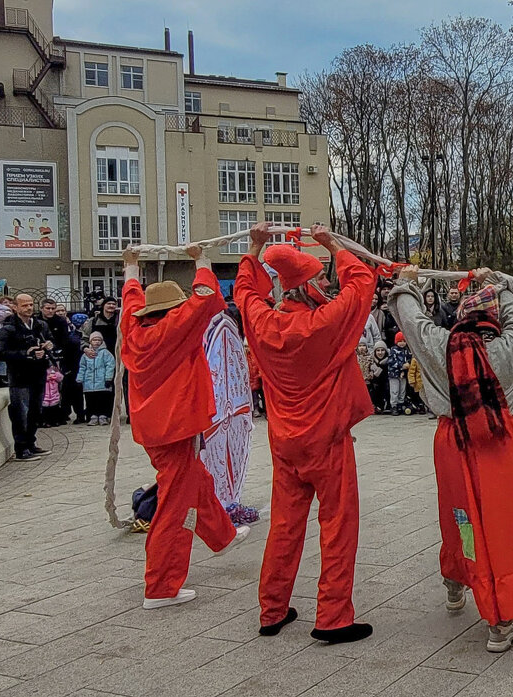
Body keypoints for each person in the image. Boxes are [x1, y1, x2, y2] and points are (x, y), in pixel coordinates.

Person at [236, 222, 375, 644]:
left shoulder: (262, 322)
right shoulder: (325, 323)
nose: (326, 286)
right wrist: (332, 243)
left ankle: (272, 609)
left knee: (283, 525)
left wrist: (255, 247)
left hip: (284, 442)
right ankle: (333, 617)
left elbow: (245, 292)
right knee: (337, 524)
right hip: (327, 440)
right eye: (320, 280)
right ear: (310, 287)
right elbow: (362, 281)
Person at [385, 266, 513, 653]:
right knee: (501, 527)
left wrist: (410, 282)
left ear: (461, 317)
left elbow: (410, 318)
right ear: (494, 319)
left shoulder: (441, 345)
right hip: (499, 440)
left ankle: (456, 582)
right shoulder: (509, 344)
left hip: (453, 439)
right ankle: (500, 620)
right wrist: (498, 287)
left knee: (459, 515)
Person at [120, 244, 247, 609]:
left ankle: (222, 536)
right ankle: (160, 587)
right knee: (174, 507)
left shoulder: (134, 329)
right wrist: (201, 260)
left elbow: (130, 300)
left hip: (153, 428)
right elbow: (207, 298)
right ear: (172, 310)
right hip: (177, 428)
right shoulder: (175, 328)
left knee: (197, 480)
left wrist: (131, 268)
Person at [0, 293, 53, 461]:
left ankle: (30, 443)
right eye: (24, 305)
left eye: (30, 305)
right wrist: (25, 353)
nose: (29, 308)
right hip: (19, 376)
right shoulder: (9, 328)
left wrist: (47, 346)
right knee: (21, 412)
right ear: (15, 307)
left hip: (38, 373)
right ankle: (21, 448)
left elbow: (50, 341)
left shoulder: (40, 325)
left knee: (35, 411)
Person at [77, 331, 116, 425]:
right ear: (90, 341)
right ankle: (93, 416)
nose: (97, 342)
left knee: (103, 400)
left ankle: (103, 416)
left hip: (102, 382)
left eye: (99, 340)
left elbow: (110, 365)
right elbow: (82, 367)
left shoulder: (105, 353)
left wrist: (108, 378)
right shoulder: (85, 355)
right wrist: (79, 379)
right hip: (89, 383)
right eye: (94, 340)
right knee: (91, 400)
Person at [386, 332, 413, 415]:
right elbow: (391, 362)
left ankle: (400, 404)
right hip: (394, 374)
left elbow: (409, 359)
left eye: (404, 341)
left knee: (402, 390)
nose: (402, 343)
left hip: (403, 375)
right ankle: (394, 405)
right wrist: (402, 366)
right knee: (395, 391)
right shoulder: (393, 350)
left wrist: (407, 365)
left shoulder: (406, 351)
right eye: (400, 341)